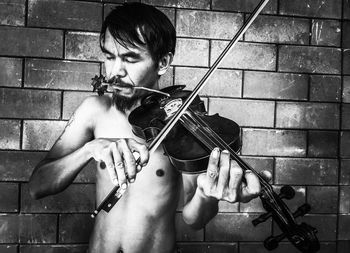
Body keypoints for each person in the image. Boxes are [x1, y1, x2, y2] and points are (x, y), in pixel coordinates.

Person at [29, 3, 268, 253]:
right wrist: (89, 149)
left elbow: (194, 219)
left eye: (130, 59)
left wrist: (206, 195)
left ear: (162, 62)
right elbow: (37, 186)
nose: (114, 72)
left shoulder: (180, 125)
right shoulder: (94, 110)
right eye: (109, 56)